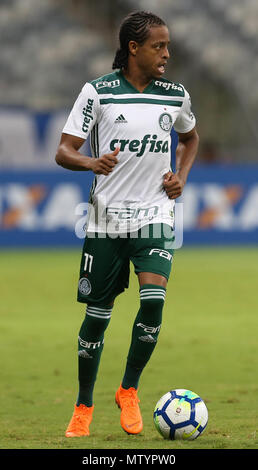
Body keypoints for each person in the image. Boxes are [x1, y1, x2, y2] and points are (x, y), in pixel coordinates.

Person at [55, 10, 199, 437]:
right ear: (133, 48)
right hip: (104, 221)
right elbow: (64, 150)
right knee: (98, 317)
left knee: (154, 301)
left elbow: (190, 138)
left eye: (168, 45)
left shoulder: (175, 95)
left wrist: (181, 176)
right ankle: (83, 405)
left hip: (155, 214)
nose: (167, 54)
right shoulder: (97, 93)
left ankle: (129, 390)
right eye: (159, 46)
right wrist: (91, 162)